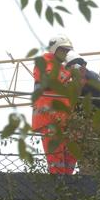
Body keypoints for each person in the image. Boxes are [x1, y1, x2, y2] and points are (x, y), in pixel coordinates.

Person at [32, 35, 77, 174]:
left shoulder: (62, 68)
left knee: (71, 156)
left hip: (63, 119)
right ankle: (58, 186)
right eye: (63, 50)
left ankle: (67, 186)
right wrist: (71, 72)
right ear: (54, 50)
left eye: (67, 51)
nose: (65, 53)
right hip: (49, 119)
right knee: (56, 158)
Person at [64, 51, 100, 175]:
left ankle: (89, 181)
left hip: (88, 123)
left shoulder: (86, 77)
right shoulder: (90, 77)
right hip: (92, 122)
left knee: (89, 156)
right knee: (92, 157)